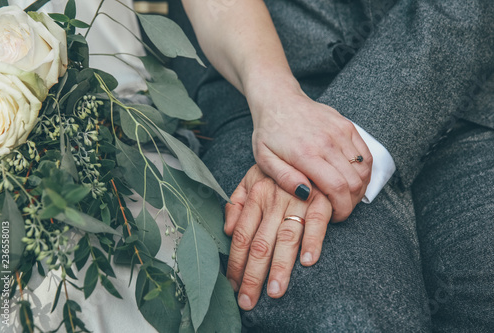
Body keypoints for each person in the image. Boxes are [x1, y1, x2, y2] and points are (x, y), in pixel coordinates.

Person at [172, 0, 494, 331]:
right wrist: (281, 108)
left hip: (467, 96)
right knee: (339, 317)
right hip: (255, 95)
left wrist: (331, 150)